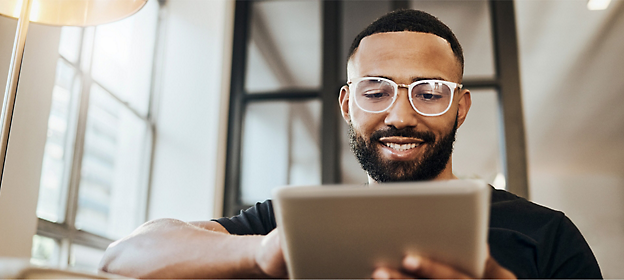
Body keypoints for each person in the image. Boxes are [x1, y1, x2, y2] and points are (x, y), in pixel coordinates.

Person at [99, 9, 602, 279]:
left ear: (461, 107)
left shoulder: (547, 237)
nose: (400, 115)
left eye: (428, 93)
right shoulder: (287, 226)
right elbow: (125, 257)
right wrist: (261, 254)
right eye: (375, 90)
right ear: (346, 104)